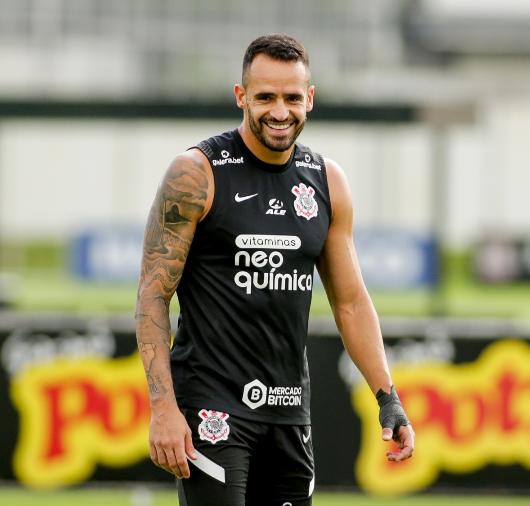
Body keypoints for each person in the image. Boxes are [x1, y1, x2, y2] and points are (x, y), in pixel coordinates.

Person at [135, 34, 414, 506]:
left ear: (310, 98)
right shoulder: (196, 173)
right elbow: (152, 296)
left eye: (291, 97)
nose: (279, 111)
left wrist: (388, 397)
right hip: (212, 407)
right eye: (265, 97)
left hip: (289, 412)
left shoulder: (328, 181)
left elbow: (350, 302)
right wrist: (163, 408)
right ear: (241, 96)